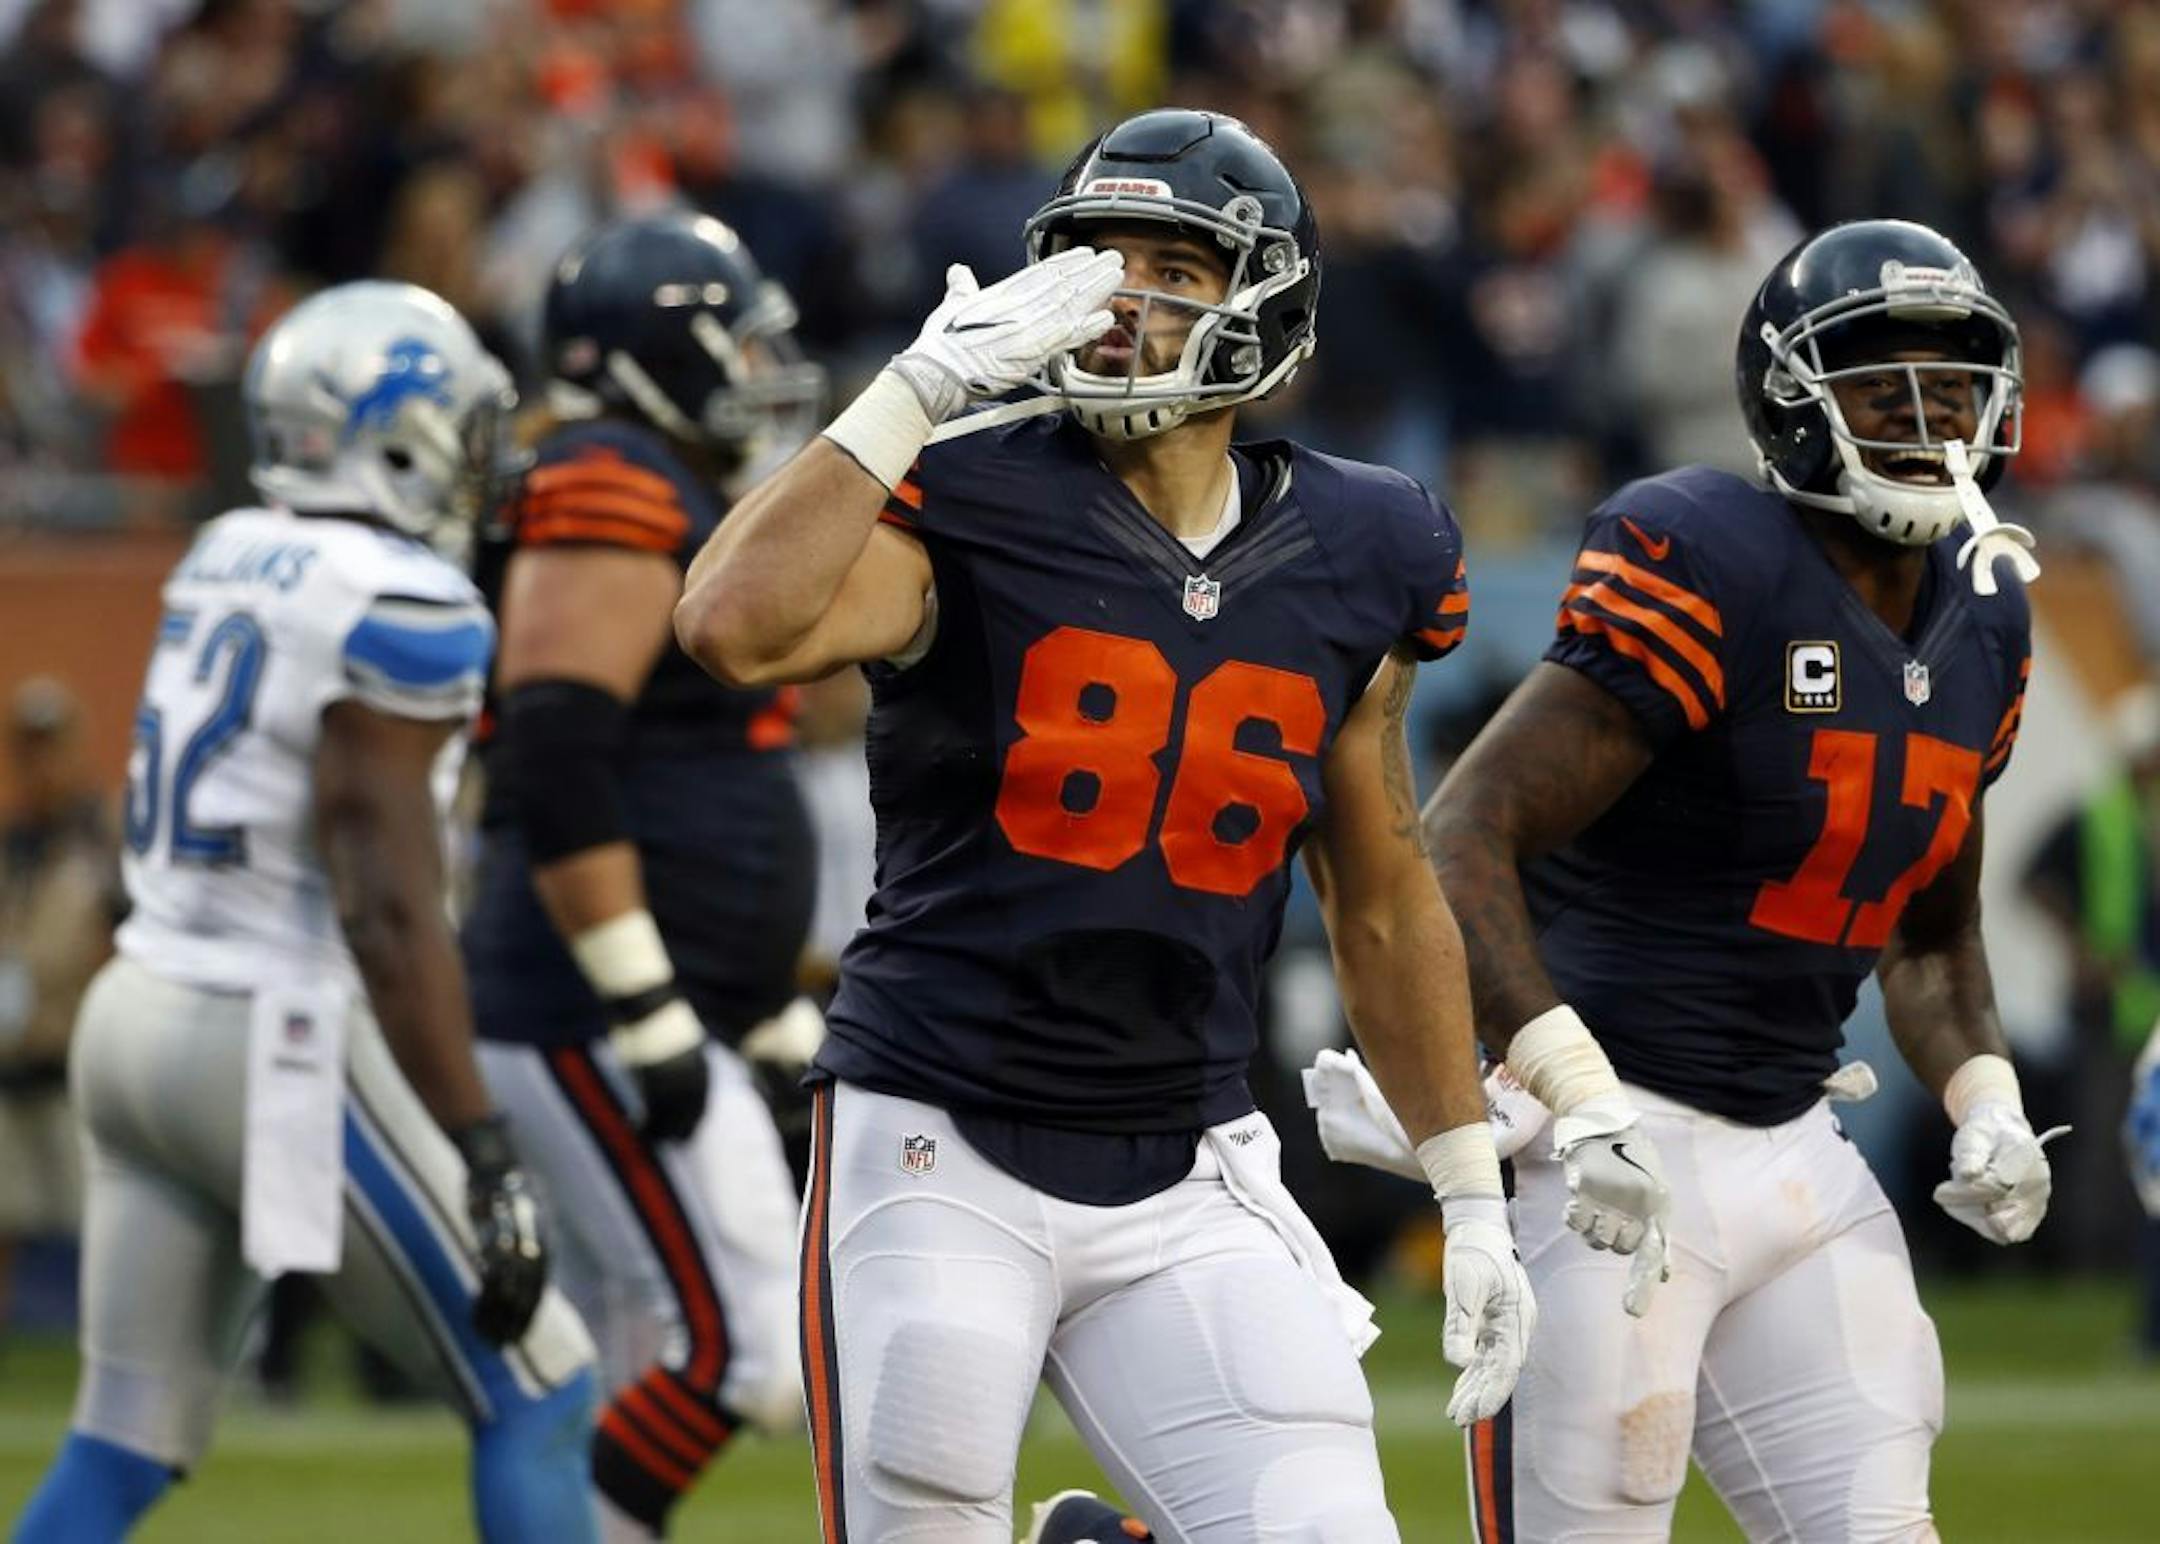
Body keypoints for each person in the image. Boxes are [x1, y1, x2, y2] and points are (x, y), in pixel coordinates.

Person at [675, 107, 1535, 1543]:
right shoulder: (969, 489)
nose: (1120, 301)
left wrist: (1469, 1186)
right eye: (1095, 260)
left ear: (1267, 307)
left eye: (1172, 270)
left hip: (1188, 1155)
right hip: (936, 1134)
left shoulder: (1368, 547)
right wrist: (916, 387)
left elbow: (1381, 892)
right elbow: (728, 626)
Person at [1414, 219, 2060, 1541]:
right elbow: (1461, 835)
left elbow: (1932, 934)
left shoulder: (1989, 609)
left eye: (1955, 383)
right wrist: (1571, 1095)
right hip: (1611, 1148)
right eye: (1884, 384)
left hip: (1799, 1149)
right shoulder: (1711, 552)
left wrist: (1985, 1095)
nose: (1931, 417)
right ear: (1792, 397)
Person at [12, 282, 600, 1544]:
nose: (485, 456)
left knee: (123, 1440)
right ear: (390, 432)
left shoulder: (229, 545)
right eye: (460, 422)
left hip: (138, 1007)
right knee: (543, 1387)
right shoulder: (401, 598)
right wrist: (480, 1145)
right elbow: (386, 905)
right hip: (267, 1030)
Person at [462, 209, 827, 1540]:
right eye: (728, 343)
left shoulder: (666, 484)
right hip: (585, 1002)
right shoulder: (608, 473)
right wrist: (647, 1002)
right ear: (640, 356)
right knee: (742, 1351)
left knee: (655, 1346)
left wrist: (749, 1002)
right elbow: (557, 755)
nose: (753, 369)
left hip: (648, 998)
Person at [0, 678, 117, 1334]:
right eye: (29, 749)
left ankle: (113, 1348)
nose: (41, 765)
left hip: (79, 1057)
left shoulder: (102, 840)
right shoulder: (12, 843)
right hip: (12, 1055)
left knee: (102, 1221)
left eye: (52, 747)